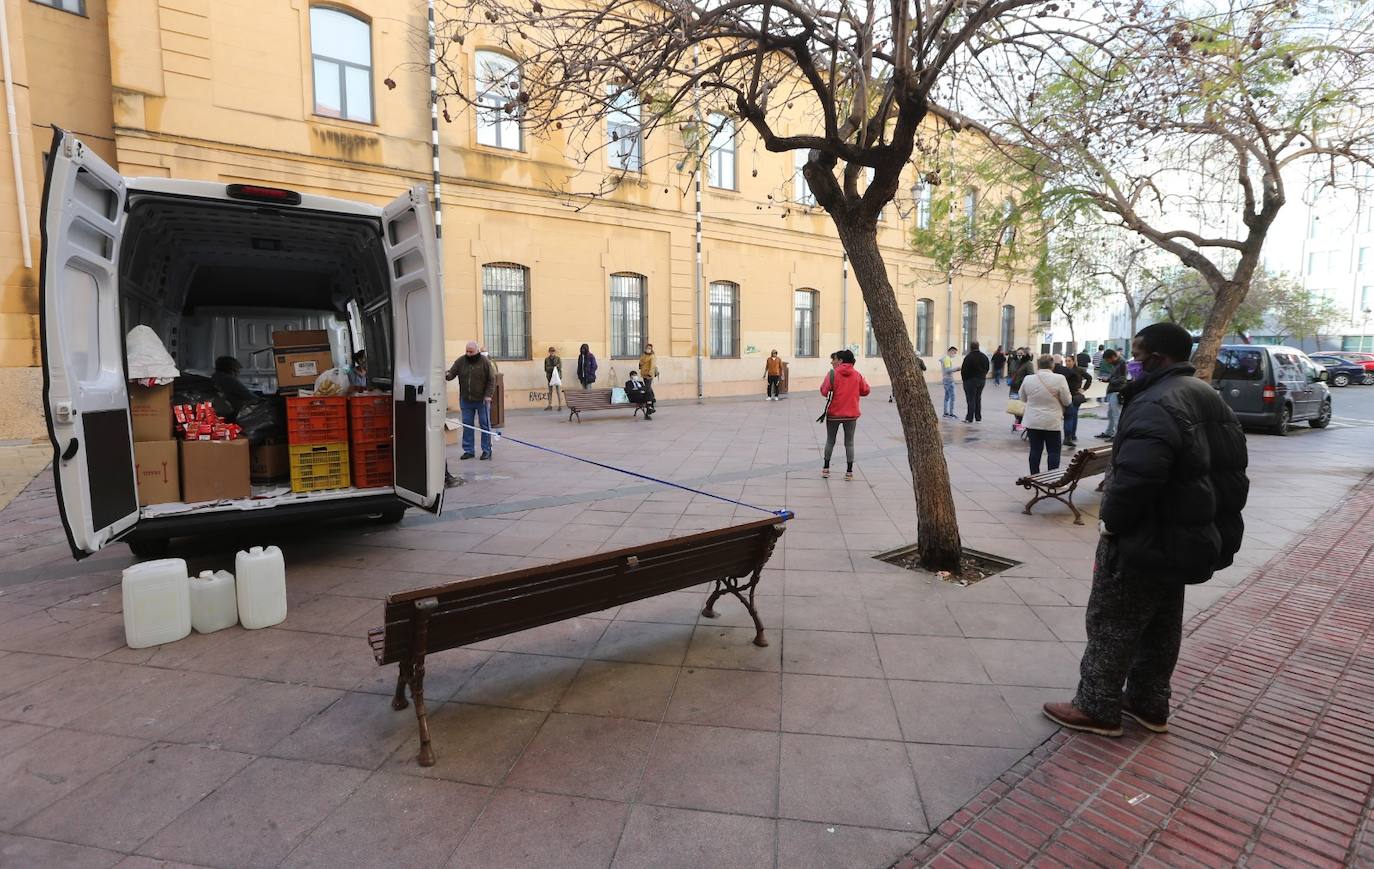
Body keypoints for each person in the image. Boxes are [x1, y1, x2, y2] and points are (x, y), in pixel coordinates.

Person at [1044, 322, 1249, 737]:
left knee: (1112, 620)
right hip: (1185, 535)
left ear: (1157, 357)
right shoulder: (1207, 396)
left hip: (1148, 535)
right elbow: (1233, 470)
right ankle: (1149, 702)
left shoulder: (1157, 402)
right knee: (1161, 622)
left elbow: (1137, 477)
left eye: (1137, 356)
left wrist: (1112, 525)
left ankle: (1096, 706)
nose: (1132, 363)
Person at [819, 349, 869, 481]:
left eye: (834, 359)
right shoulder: (857, 375)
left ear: (840, 360)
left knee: (830, 440)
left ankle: (826, 468)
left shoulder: (832, 374)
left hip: (834, 414)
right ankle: (849, 472)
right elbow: (866, 391)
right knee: (849, 442)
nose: (832, 362)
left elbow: (824, 391)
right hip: (851, 415)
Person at [1018, 354, 1071, 474]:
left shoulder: (1028, 379)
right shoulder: (1060, 379)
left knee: (1035, 450)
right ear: (1052, 365)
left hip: (1033, 420)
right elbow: (1067, 401)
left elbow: (1022, 398)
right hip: (1052, 421)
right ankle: (1052, 478)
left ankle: (1034, 476)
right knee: (1053, 451)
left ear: (1038, 364)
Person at [445, 340, 497, 461]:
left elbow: (491, 380)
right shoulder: (460, 361)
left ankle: (486, 450)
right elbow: (451, 374)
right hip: (466, 400)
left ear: (477, 351)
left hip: (482, 400)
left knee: (484, 425)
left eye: (471, 352)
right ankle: (469, 450)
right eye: (467, 351)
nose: (468, 354)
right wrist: (445, 375)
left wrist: (488, 395)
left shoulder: (485, 362)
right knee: (467, 425)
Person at [1055, 355, 1086, 448]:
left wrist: (1083, 389)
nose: (1067, 363)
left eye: (1069, 361)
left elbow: (1089, 378)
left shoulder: (1079, 370)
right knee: (1070, 416)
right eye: (1066, 361)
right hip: (1066, 396)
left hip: (1075, 396)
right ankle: (1069, 436)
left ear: (1073, 361)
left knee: (1072, 416)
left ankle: (1071, 435)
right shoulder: (1063, 370)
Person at [1097, 349, 1127, 440]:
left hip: (1117, 391)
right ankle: (1109, 432)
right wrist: (1107, 379)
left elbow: (1123, 379)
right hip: (1113, 390)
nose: (1107, 362)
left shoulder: (1122, 363)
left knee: (1115, 414)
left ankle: (1117, 435)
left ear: (1113, 357)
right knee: (1111, 413)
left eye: (1107, 359)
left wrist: (1110, 380)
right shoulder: (1116, 364)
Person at [960, 342, 990, 423]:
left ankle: (969, 418)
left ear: (970, 347)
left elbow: (964, 370)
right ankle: (978, 417)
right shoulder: (984, 357)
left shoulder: (968, 357)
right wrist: (982, 375)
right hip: (981, 380)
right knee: (978, 398)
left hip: (970, 380)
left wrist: (965, 380)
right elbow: (987, 367)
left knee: (971, 399)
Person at [939, 347, 959, 418]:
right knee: (952, 397)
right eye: (955, 353)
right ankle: (951, 413)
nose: (955, 354)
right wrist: (957, 368)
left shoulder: (945, 358)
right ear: (951, 351)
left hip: (945, 379)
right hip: (949, 380)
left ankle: (945, 413)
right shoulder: (947, 359)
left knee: (947, 397)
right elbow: (948, 370)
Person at [544, 346, 563, 411]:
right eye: (551, 351)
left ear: (555, 352)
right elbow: (546, 369)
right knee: (550, 392)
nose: (552, 352)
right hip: (550, 377)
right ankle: (550, 405)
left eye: (553, 351)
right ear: (549, 352)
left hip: (557, 377)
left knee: (558, 391)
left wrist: (553, 367)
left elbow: (559, 367)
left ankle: (560, 405)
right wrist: (553, 367)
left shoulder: (558, 358)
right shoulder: (546, 359)